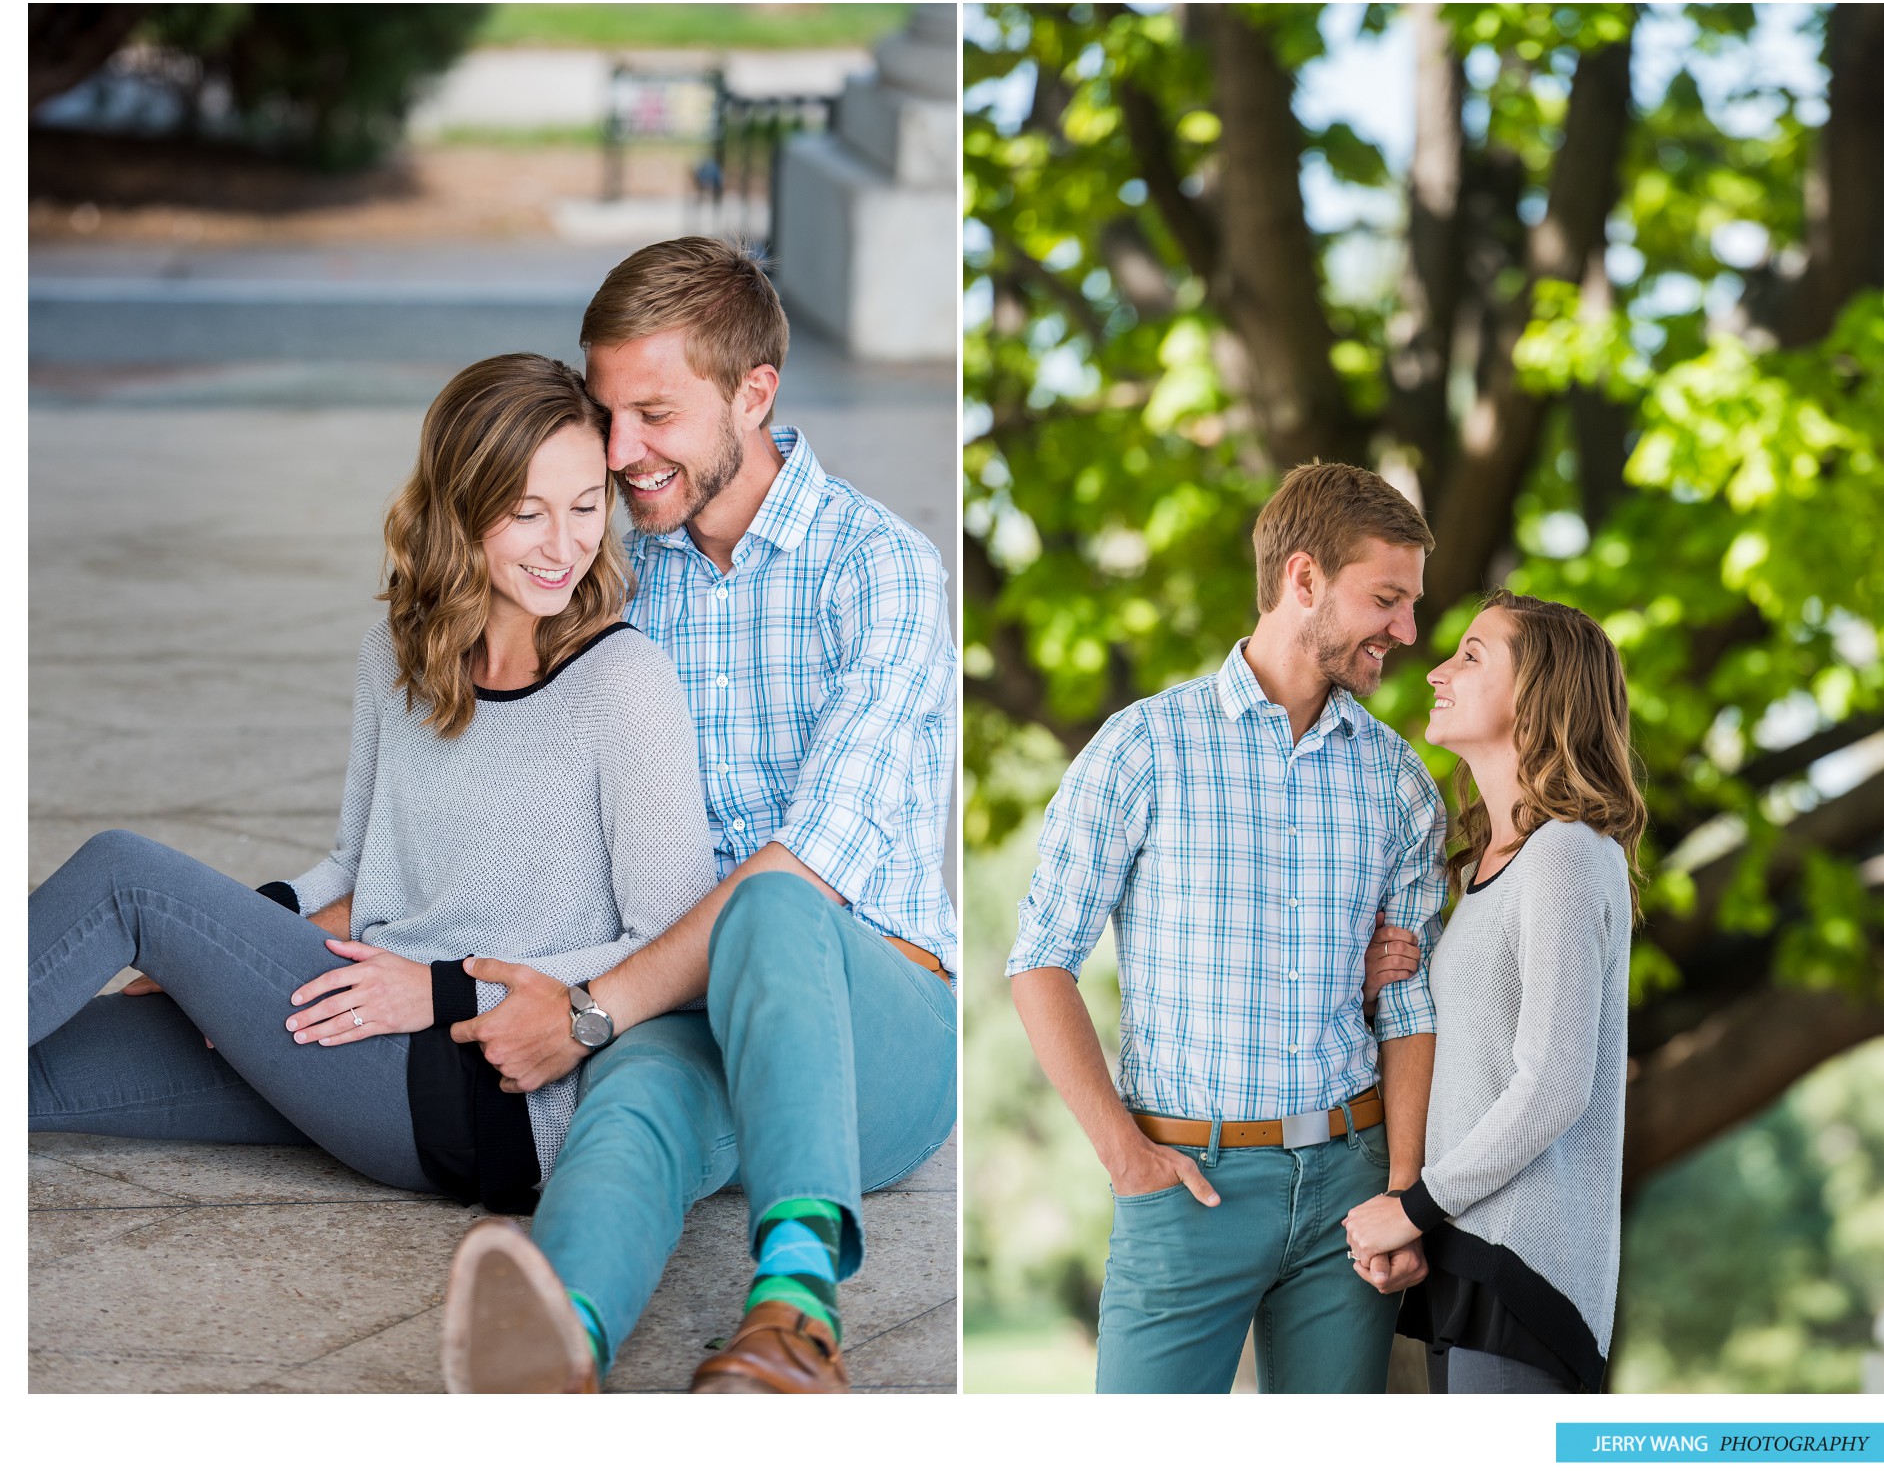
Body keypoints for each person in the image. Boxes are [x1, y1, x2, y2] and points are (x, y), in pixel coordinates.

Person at [437, 237, 959, 1395]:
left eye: (655, 415)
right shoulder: (620, 576)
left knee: (772, 896)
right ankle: (557, 1347)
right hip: (686, 1003)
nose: (620, 455)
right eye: (606, 414)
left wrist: (584, 1011)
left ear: (754, 393)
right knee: (634, 1106)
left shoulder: (884, 573)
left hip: (885, 1025)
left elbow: (813, 867)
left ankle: (793, 1317)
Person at [29, 353, 715, 1217]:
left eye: (585, 508)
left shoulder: (625, 683)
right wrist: (224, 953)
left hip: (470, 1084)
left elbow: (668, 950)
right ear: (460, 511)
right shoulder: (396, 662)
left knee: (122, 877)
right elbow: (356, 865)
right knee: (44, 1061)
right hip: (350, 1031)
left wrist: (441, 989)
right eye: (525, 513)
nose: (565, 545)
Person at [1004, 461, 1449, 1393]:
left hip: (1351, 1187)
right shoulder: (1142, 749)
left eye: (1410, 605)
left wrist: (1405, 1196)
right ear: (1303, 581)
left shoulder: (1401, 785)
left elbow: (1408, 1005)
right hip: (1187, 1184)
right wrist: (1125, 1155)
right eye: (1386, 599)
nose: (1407, 632)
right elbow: (1041, 962)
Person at [1342, 589, 1645, 1395]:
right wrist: (1379, 990)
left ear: (1538, 693)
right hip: (1469, 1252)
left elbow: (1552, 1086)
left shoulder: (1569, 855)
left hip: (1523, 1270)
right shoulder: (1486, 866)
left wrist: (1412, 1207)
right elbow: (1473, 1059)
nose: (1436, 670)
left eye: (1471, 656)